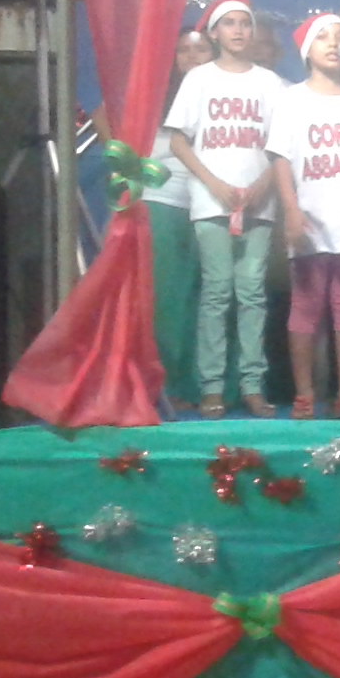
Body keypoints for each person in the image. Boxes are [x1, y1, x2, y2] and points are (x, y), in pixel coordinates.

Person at [163, 0, 286, 418]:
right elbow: (178, 141)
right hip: (210, 202)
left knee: (252, 292)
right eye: (229, 23)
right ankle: (212, 387)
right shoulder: (199, 79)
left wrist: (261, 186)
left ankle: (252, 385)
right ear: (214, 33)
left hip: (259, 204)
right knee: (217, 292)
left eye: (244, 23)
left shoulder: (270, 83)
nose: (238, 30)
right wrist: (214, 184)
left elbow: (281, 146)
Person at [267, 13, 340, 421]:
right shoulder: (292, 99)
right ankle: (304, 395)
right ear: (307, 51)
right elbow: (280, 159)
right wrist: (291, 211)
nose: (334, 44)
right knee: (306, 306)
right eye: (323, 38)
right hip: (311, 222)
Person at [140, 25, 212, 412]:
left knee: (206, 297)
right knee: (167, 297)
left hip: (211, 205)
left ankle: (201, 386)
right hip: (163, 201)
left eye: (200, 50)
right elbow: (104, 115)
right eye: (184, 50)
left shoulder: (223, 92)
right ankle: (166, 386)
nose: (192, 57)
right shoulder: (155, 95)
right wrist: (130, 164)